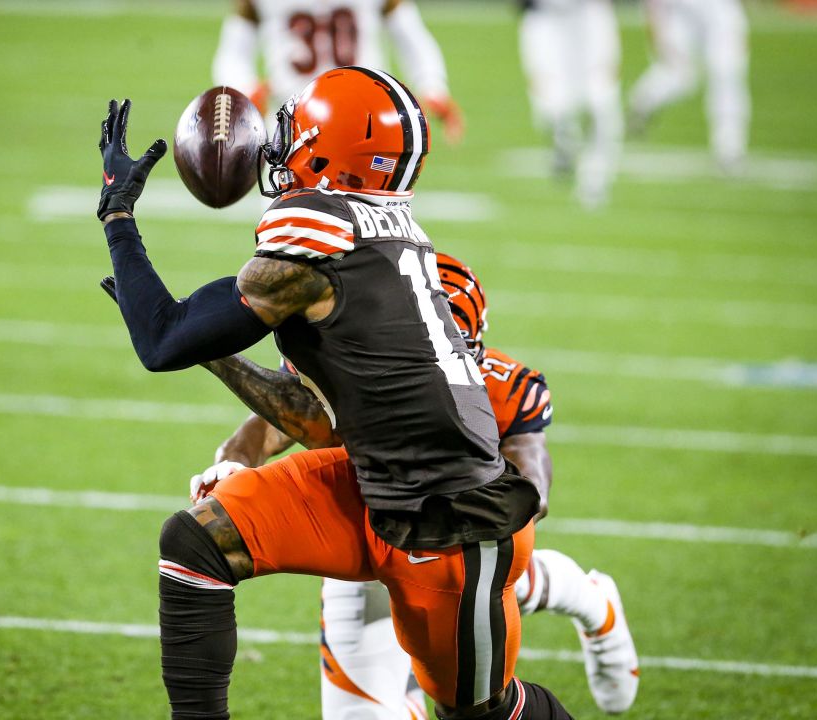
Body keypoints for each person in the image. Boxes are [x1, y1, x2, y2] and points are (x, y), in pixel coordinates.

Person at [96, 67, 571, 718]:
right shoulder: (381, 231)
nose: (283, 140)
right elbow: (319, 424)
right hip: (374, 478)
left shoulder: (319, 235)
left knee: (477, 713)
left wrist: (118, 214)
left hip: (454, 523)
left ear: (331, 149)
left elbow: (163, 340)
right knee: (197, 541)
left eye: (299, 126)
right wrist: (217, 359)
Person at [190, 253, 639, 718]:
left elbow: (533, 494)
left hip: (450, 541)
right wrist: (232, 465)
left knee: (472, 681)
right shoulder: (338, 362)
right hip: (360, 540)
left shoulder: (504, 387)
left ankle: (582, 594)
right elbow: (263, 429)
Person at [212, 0, 463, 142]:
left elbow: (409, 35)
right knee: (289, 222)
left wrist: (432, 85)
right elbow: (233, 53)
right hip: (295, 118)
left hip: (365, 118)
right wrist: (245, 88)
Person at [516, 0, 623, 208]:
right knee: (550, 105)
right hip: (544, 16)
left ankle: (595, 178)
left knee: (601, 102)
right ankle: (564, 143)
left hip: (590, 13)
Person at [628, 0, 750, 172]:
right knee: (679, 75)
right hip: (681, 11)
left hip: (720, 8)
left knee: (726, 72)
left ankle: (729, 148)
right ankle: (645, 99)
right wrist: (655, 22)